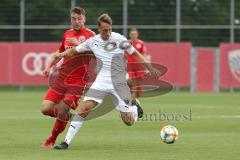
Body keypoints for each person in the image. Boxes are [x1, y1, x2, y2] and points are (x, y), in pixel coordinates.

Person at [52, 13, 160, 149]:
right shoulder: (93, 41)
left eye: (109, 29)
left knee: (129, 122)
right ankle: (66, 142)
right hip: (101, 82)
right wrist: (61, 54)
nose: (108, 32)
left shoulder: (120, 39)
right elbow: (74, 51)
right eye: (104, 30)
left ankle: (134, 108)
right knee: (84, 108)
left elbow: (136, 54)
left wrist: (150, 67)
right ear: (99, 29)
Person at [40, 7, 95, 148]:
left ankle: (52, 138)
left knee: (62, 110)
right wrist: (48, 67)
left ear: (84, 19)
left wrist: (80, 45)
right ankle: (66, 116)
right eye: (73, 19)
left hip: (78, 81)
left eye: (79, 19)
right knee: (45, 109)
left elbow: (97, 54)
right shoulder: (68, 33)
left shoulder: (91, 35)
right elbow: (60, 52)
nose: (76, 22)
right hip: (61, 77)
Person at [127, 28, 150, 105]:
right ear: (130, 35)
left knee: (139, 83)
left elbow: (144, 54)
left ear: (137, 35)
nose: (134, 35)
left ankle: (137, 99)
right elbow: (123, 54)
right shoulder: (127, 43)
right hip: (129, 66)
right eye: (132, 34)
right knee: (130, 82)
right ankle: (129, 98)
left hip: (139, 66)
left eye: (135, 34)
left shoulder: (141, 43)